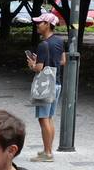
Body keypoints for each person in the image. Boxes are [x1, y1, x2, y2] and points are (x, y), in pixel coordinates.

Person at [26, 13, 65, 162]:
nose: (37, 25)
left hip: (45, 85)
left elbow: (39, 68)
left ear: (48, 24)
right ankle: (47, 150)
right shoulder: (59, 41)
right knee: (49, 118)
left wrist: (32, 64)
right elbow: (62, 61)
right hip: (57, 83)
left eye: (40, 23)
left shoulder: (43, 44)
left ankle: (48, 153)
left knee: (43, 119)